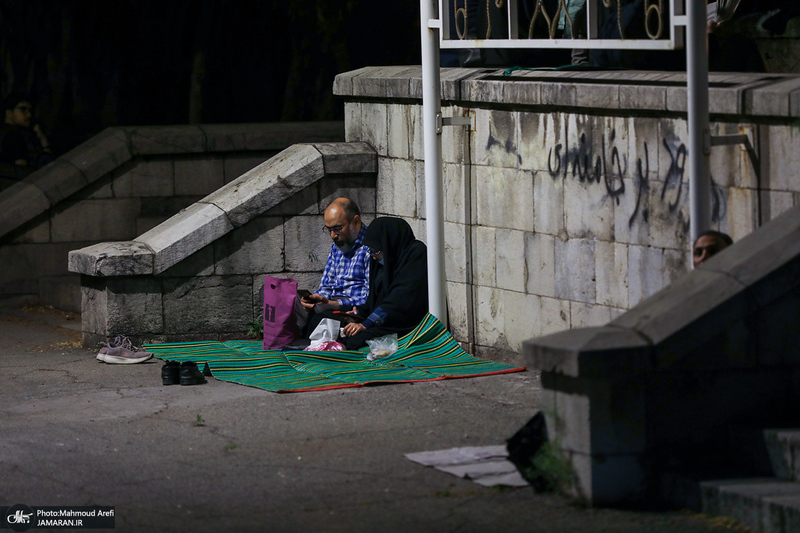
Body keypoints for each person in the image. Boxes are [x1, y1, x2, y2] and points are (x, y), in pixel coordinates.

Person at [339, 217, 429, 350]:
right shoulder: (382, 262)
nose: (373, 256)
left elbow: (399, 300)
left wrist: (366, 323)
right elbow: (376, 297)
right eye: (371, 251)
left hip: (403, 324)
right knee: (326, 320)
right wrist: (359, 312)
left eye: (376, 251)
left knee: (355, 341)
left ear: (390, 245)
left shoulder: (416, 254)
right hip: (382, 319)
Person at [300, 198, 371, 335]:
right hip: (330, 304)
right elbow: (326, 286)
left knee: (320, 319)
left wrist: (333, 304)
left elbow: (369, 297)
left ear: (355, 222)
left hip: (353, 310)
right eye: (329, 230)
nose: (333, 235)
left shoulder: (370, 248)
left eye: (338, 229)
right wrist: (317, 299)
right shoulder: (336, 248)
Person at [0, 93, 53, 180]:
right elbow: (21, 169)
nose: (29, 115)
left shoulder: (21, 134)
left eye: (29, 111)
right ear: (9, 113)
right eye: (23, 109)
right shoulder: (12, 135)